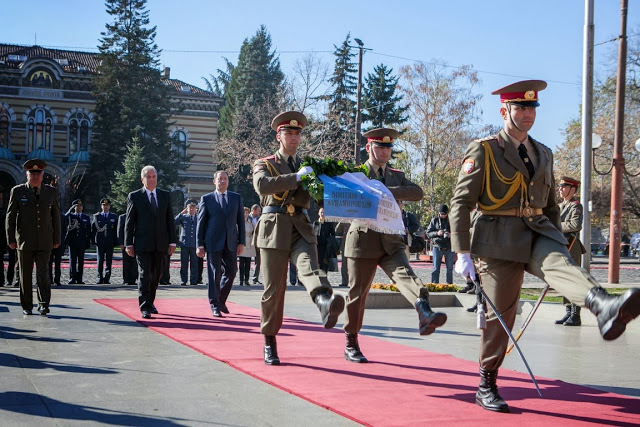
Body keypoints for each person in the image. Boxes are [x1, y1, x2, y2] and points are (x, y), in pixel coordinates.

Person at [450, 80, 640, 413]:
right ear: (504, 110)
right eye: (520, 108)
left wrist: (558, 240)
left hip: (538, 229)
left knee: (562, 268)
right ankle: (487, 381)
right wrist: (462, 251)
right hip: (497, 238)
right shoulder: (484, 149)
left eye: (532, 108)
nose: (527, 114)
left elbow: (551, 205)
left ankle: (604, 306)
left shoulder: (544, 152)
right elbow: (461, 202)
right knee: (502, 315)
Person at [343, 128, 447, 364]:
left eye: (388, 148)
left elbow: (417, 192)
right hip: (363, 239)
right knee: (357, 294)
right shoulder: (355, 173)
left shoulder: (396, 175)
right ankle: (351, 341)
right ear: (368, 148)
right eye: (380, 147)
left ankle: (424, 311)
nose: (385, 152)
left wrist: (385, 190)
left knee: (406, 275)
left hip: (391, 239)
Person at [253, 111, 345, 365]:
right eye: (288, 133)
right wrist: (296, 178)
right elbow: (263, 186)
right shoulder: (265, 162)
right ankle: (269, 340)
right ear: (278, 136)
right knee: (273, 290)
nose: (293, 137)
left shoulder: (310, 167)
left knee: (309, 267)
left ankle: (324, 302)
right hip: (274, 228)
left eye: (297, 133)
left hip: (302, 227)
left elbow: (324, 194)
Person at [6, 159, 61, 315]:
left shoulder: (51, 191)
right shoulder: (18, 191)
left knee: (44, 274)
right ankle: (27, 306)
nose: (35, 177)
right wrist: (11, 238)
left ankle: (44, 304)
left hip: (44, 239)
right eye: (32, 173)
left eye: (38, 173)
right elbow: (10, 216)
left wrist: (57, 238)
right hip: (24, 241)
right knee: (25, 275)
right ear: (27, 174)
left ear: (43, 175)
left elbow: (55, 216)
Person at [125, 165, 177, 319]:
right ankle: (144, 307)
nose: (152, 179)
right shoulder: (135, 196)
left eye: (154, 176)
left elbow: (170, 221)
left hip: (160, 244)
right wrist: (128, 243)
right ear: (143, 179)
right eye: (149, 176)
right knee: (145, 274)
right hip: (142, 244)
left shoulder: (164, 195)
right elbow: (129, 222)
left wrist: (172, 242)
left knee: (156, 276)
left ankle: (150, 301)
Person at [196, 170, 245, 317]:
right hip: (213, 242)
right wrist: (199, 244)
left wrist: (242, 242)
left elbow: (240, 222)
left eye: (225, 178)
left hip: (231, 242)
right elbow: (201, 223)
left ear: (228, 181)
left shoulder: (236, 198)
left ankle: (221, 299)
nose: (222, 181)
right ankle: (214, 305)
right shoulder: (207, 199)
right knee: (214, 273)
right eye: (220, 179)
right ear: (214, 181)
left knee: (232, 271)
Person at [554, 176, 587, 326]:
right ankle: (568, 311)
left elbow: (575, 225)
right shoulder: (560, 206)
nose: (560, 189)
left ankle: (576, 314)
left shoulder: (575, 206)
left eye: (563, 186)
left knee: (573, 280)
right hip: (561, 245)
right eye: (560, 186)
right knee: (565, 280)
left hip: (571, 245)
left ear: (572, 189)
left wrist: (556, 225)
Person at [64, 199, 91, 284]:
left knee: (81, 261)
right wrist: (70, 210)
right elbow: (64, 218)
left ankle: (79, 278)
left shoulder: (86, 217)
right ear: (74, 207)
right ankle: (72, 277)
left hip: (82, 242)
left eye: (80, 206)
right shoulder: (71, 216)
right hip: (72, 242)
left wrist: (88, 241)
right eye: (77, 206)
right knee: (72, 260)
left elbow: (88, 231)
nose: (79, 208)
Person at [92, 198, 119, 284]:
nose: (105, 207)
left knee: (109, 261)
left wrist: (116, 241)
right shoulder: (97, 216)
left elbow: (116, 231)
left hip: (110, 242)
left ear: (109, 206)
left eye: (107, 205)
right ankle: (99, 278)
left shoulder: (114, 217)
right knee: (100, 260)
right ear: (101, 206)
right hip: (100, 242)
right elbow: (93, 230)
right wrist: (93, 240)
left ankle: (107, 278)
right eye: (104, 205)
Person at [426, 204, 454, 284]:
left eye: (445, 214)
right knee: (435, 268)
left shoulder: (451, 220)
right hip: (437, 247)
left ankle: (449, 285)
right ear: (439, 213)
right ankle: (434, 284)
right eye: (442, 214)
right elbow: (428, 233)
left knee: (449, 268)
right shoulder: (434, 220)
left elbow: (457, 232)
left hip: (449, 247)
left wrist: (450, 234)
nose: (443, 216)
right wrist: (437, 233)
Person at [175, 199, 199, 286]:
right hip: (184, 243)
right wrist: (181, 213)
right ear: (187, 209)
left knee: (194, 263)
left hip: (194, 244)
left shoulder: (199, 218)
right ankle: (183, 280)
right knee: (184, 263)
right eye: (190, 208)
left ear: (196, 209)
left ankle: (193, 280)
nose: (191, 209)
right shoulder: (184, 217)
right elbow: (174, 221)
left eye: (193, 208)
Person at [313, 207, 337, 272]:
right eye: (321, 212)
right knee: (318, 263)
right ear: (318, 213)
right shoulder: (315, 223)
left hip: (326, 247)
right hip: (317, 247)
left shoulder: (329, 223)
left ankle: (324, 278)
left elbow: (332, 234)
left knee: (325, 264)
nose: (322, 214)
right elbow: (313, 234)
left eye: (324, 212)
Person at [118, 213, 137, 286]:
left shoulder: (137, 216)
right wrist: (121, 243)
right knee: (126, 262)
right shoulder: (122, 217)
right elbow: (119, 231)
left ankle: (133, 279)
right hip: (125, 243)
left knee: (134, 262)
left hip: (135, 243)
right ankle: (126, 279)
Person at [238, 207, 256, 286]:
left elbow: (254, 231)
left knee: (248, 263)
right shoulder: (238, 222)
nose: (245, 214)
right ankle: (241, 280)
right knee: (241, 264)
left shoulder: (251, 222)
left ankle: (247, 280)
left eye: (246, 213)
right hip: (241, 243)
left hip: (249, 243)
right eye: (244, 212)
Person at [49, 212, 66, 286]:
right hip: (49, 242)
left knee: (58, 262)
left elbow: (65, 230)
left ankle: (57, 279)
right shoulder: (47, 215)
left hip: (59, 242)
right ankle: (49, 279)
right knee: (48, 262)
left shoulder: (62, 216)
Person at [249, 204, 262, 285]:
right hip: (248, 242)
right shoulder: (247, 217)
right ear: (253, 210)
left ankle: (255, 278)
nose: (260, 212)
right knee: (245, 260)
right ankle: (244, 279)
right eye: (258, 211)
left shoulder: (259, 218)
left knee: (258, 260)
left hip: (257, 242)